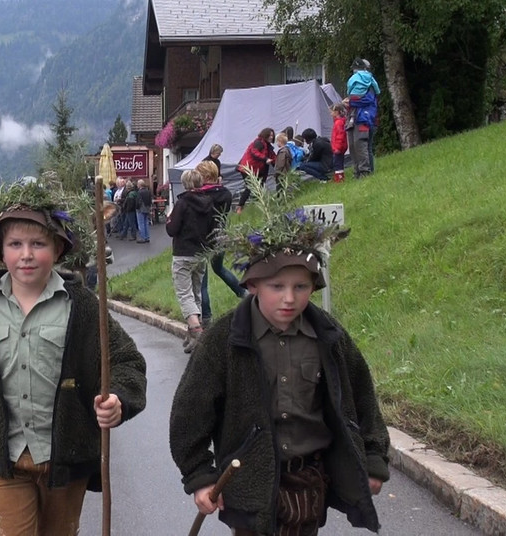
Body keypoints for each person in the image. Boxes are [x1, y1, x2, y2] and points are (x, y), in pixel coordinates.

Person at [169, 179, 389, 535]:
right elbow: (189, 413)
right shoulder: (224, 340)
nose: (290, 298)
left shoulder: (328, 335)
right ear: (252, 285)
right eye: (277, 287)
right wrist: (199, 476)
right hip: (247, 485)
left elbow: (362, 394)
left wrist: (374, 456)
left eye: (301, 287)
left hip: (309, 482)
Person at [0, 200, 147, 536]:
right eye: (15, 244)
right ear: (1, 251)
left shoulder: (82, 306)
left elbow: (126, 360)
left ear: (57, 250)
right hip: (2, 461)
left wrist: (118, 399)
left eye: (38, 244)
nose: (26, 254)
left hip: (65, 460)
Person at [194, 160, 246, 339]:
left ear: (205, 176)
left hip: (202, 239)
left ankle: (206, 318)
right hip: (221, 236)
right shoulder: (226, 193)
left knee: (202, 280)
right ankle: (244, 294)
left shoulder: (200, 195)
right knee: (219, 269)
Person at [166, 169, 212, 345]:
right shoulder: (209, 203)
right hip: (201, 252)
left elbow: (172, 230)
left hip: (183, 253)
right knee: (196, 292)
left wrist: (169, 219)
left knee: (184, 294)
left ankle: (196, 330)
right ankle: (192, 335)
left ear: (185, 183)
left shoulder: (182, 203)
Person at [346, 58, 379, 178]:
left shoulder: (370, 86)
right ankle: (358, 172)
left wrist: (350, 102)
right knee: (354, 146)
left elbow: (367, 100)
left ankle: (365, 172)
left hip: (364, 119)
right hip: (354, 118)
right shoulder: (366, 84)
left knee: (361, 145)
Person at [235, 127, 276, 213]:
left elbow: (273, 157)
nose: (271, 137)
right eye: (270, 135)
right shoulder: (258, 143)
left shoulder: (268, 147)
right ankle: (240, 206)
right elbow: (255, 153)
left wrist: (277, 164)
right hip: (247, 168)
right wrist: (265, 159)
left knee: (260, 186)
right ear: (265, 135)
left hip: (259, 170)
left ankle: (258, 206)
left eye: (272, 135)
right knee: (250, 187)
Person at [330, 103, 348, 183]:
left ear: (336, 112)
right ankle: (338, 177)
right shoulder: (338, 122)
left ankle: (339, 178)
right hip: (337, 147)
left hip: (338, 148)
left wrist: (338, 147)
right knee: (338, 162)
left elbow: (340, 136)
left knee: (338, 163)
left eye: (331, 112)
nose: (331, 114)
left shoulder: (339, 123)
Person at [135, 178, 152, 243]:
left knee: (141, 224)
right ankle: (147, 237)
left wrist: (136, 207)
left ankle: (143, 238)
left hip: (141, 209)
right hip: (147, 208)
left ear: (139, 185)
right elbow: (150, 200)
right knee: (146, 223)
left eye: (137, 184)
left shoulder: (139, 192)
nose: (137, 185)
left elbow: (138, 202)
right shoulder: (148, 191)